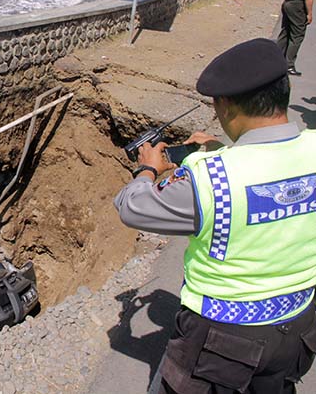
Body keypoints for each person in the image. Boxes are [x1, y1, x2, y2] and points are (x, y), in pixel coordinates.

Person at [114, 38, 316, 394]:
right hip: (298, 328)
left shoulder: (212, 179)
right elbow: (273, 183)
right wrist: (221, 151)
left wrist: (147, 170)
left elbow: (132, 207)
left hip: (222, 346)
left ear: (225, 106)